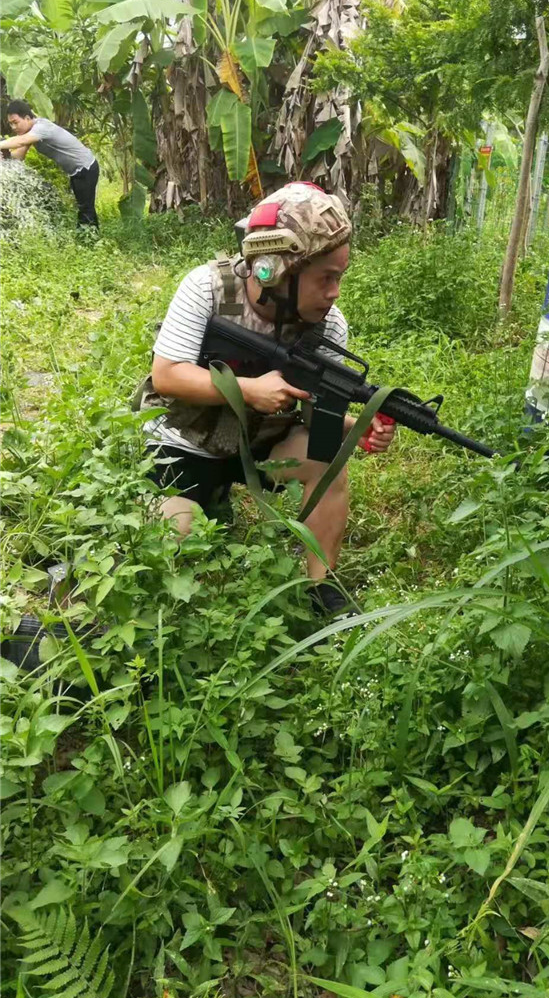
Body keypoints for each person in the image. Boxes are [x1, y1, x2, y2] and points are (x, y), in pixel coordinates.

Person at [138, 182, 396, 616]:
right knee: (171, 546)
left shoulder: (327, 327)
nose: (334, 292)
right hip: (185, 442)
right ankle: (206, 497)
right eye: (326, 278)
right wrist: (248, 390)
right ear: (274, 269)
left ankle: (322, 590)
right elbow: (167, 375)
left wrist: (357, 427)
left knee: (330, 456)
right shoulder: (208, 288)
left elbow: (317, 419)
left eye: (340, 277)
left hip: (261, 447)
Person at [0, 99, 100, 227]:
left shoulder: (41, 127)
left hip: (86, 167)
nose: (13, 127)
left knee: (85, 208)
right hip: (76, 171)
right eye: (11, 124)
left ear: (26, 118)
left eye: (15, 122)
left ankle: (88, 240)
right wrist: (4, 156)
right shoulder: (30, 133)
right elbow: (19, 156)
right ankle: (90, 236)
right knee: (84, 206)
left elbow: (20, 141)